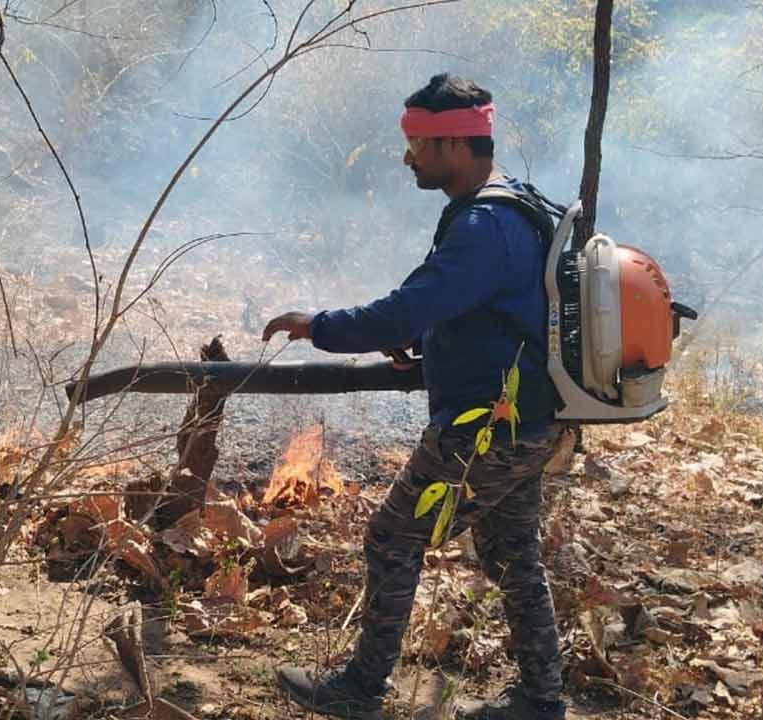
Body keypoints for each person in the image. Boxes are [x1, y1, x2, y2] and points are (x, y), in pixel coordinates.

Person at [262, 73, 567, 720]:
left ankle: (360, 689)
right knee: (512, 553)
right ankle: (541, 701)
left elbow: (407, 308)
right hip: (527, 420)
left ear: (455, 145)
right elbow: (490, 311)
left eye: (418, 145)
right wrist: (430, 344)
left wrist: (318, 326)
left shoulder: (484, 224)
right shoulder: (514, 205)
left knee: (392, 538)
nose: (408, 158)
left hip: (486, 427)